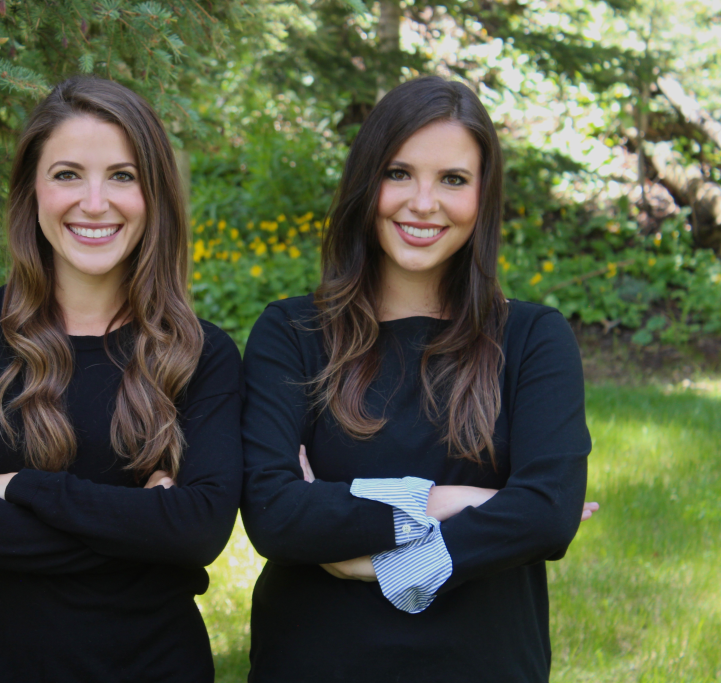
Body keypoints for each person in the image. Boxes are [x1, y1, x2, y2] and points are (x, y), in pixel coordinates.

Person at [240, 75, 597, 682]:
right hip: (314, 662)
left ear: (482, 196)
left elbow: (546, 514)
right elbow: (274, 512)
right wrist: (449, 502)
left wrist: (379, 563)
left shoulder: (533, 340)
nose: (423, 202)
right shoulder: (293, 333)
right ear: (365, 182)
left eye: (452, 180)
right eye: (399, 173)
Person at [0, 77, 242, 683]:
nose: (94, 202)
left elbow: (198, 533)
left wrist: (21, 487)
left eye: (122, 175)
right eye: (67, 174)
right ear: (31, 191)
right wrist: (143, 529)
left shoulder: (202, 352)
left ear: (154, 194)